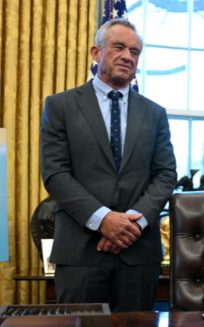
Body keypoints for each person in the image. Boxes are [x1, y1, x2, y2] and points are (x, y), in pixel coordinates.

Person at [40, 18, 177, 311]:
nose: (128, 56)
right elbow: (55, 173)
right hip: (80, 252)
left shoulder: (155, 113)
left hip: (139, 254)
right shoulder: (60, 106)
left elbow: (166, 175)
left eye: (135, 51)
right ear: (95, 52)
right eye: (118, 47)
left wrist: (133, 223)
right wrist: (103, 219)